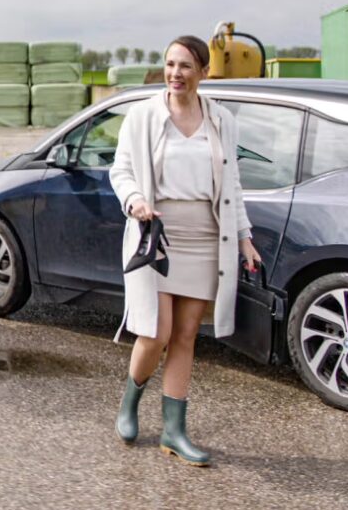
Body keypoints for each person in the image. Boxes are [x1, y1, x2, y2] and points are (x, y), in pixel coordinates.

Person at [108, 33, 261, 466]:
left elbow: (232, 184)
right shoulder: (142, 116)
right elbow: (120, 170)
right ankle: (129, 403)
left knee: (186, 335)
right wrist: (134, 199)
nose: (175, 73)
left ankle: (174, 432)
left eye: (186, 66)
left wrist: (244, 237)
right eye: (170, 64)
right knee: (155, 333)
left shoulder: (221, 120)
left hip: (206, 238)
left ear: (203, 72)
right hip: (156, 235)